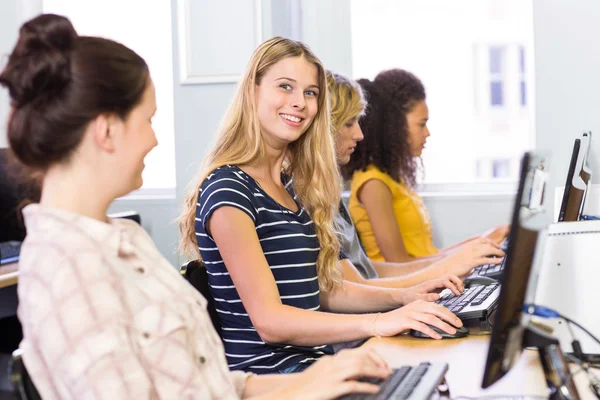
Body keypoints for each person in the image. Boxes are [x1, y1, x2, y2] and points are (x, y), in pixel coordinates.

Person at [2, 14, 399, 400]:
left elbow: (212, 385)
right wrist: (302, 388)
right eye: (149, 121)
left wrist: (325, 375)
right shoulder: (69, 268)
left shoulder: (126, 239)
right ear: (107, 131)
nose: (153, 141)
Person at [179, 37, 463, 375]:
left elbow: (321, 292)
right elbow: (270, 322)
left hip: (315, 367)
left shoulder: (291, 187)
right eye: (285, 87)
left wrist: (403, 298)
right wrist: (377, 323)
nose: (299, 102)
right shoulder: (229, 189)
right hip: (271, 378)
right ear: (252, 91)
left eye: (310, 93)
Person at [326, 71, 505, 288]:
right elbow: (393, 264)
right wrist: (454, 262)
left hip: (409, 282)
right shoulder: (374, 182)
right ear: (396, 126)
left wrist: (474, 248)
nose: (427, 133)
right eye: (421, 124)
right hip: (401, 287)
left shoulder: (394, 180)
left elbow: (368, 269)